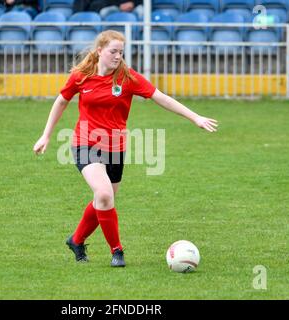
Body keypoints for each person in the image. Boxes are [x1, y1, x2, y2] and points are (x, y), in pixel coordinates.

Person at [33, 30, 218, 268]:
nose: (118, 56)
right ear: (99, 51)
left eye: (121, 52)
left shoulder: (128, 78)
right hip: (85, 143)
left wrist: (195, 117)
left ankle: (76, 240)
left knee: (104, 200)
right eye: (113, 51)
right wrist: (46, 135)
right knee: (104, 194)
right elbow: (61, 101)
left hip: (115, 148)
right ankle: (117, 251)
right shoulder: (81, 76)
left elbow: (161, 98)